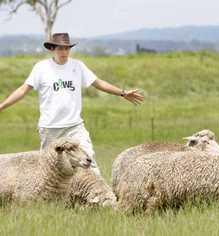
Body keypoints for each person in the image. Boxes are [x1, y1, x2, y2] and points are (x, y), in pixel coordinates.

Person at [0, 33, 144, 174]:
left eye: (67, 48)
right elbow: (23, 90)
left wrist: (123, 92)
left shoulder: (78, 66)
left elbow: (98, 83)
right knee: (50, 169)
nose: (64, 52)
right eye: (60, 48)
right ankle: (53, 197)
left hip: (74, 126)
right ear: (52, 49)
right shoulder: (41, 68)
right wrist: (2, 106)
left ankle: (100, 195)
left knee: (88, 159)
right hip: (50, 128)